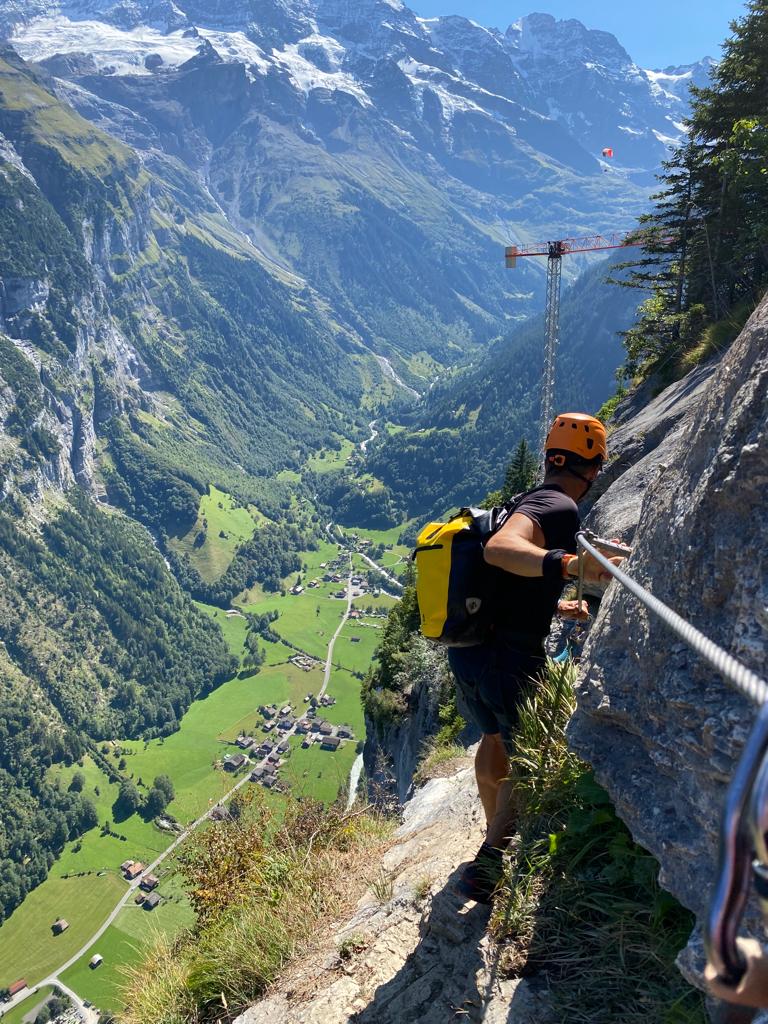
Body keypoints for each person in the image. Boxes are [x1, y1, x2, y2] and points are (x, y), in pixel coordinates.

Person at [449, 412, 625, 903]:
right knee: (530, 756)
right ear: (591, 469)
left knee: (493, 739)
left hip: (471, 652)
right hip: (509, 658)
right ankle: (490, 865)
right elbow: (501, 551)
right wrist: (568, 563)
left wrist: (556, 602)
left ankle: (490, 830)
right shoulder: (558, 506)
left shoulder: (528, 499)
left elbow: (511, 576)